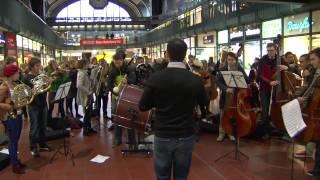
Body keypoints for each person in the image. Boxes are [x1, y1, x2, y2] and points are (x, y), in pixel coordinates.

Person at [139, 38, 208, 180]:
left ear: (167, 54)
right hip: (186, 134)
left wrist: (158, 101)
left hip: (163, 134)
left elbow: (143, 106)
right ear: (185, 54)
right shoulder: (195, 79)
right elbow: (205, 102)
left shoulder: (156, 78)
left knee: (162, 175)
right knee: (181, 177)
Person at [296, 48, 320, 178]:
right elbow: (311, 91)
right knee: (317, 144)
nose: (311, 62)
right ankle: (317, 170)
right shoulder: (316, 73)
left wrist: (304, 98)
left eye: (313, 59)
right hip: (316, 112)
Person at [22, 57, 53, 157]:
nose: (39, 67)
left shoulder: (41, 76)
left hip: (43, 103)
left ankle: (42, 144)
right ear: (31, 67)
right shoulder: (26, 78)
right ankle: (33, 147)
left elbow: (47, 89)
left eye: (39, 65)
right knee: (34, 127)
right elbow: (25, 93)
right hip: (33, 105)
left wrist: (49, 83)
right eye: (37, 66)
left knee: (43, 126)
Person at [216, 52, 248, 142]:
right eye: (229, 60)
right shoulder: (223, 69)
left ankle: (230, 133)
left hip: (237, 95)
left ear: (236, 60)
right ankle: (221, 133)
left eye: (233, 60)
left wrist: (241, 77)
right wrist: (226, 89)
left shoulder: (239, 68)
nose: (231, 62)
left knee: (234, 115)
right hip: (226, 95)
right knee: (223, 114)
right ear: (227, 60)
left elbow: (247, 79)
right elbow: (218, 81)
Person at [0, 63, 25, 174]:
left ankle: (16, 160)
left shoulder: (14, 85)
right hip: (10, 117)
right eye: (17, 72)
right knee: (13, 141)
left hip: (18, 115)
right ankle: (14, 164)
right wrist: (10, 107)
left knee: (16, 140)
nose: (19, 74)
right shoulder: (4, 87)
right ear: (11, 74)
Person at [108, 52, 130, 146]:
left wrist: (128, 81)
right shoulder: (112, 71)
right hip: (116, 97)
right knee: (117, 119)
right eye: (115, 63)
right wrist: (114, 91)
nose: (117, 65)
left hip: (127, 97)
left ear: (122, 60)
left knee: (129, 118)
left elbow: (134, 79)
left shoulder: (128, 69)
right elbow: (109, 85)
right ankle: (118, 139)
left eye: (118, 63)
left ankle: (131, 139)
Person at [76, 59, 96, 136]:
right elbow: (79, 85)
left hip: (88, 94)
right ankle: (85, 130)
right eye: (87, 64)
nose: (89, 65)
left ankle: (89, 127)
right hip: (85, 95)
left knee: (89, 112)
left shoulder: (85, 72)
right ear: (83, 65)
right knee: (87, 113)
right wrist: (88, 92)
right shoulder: (81, 73)